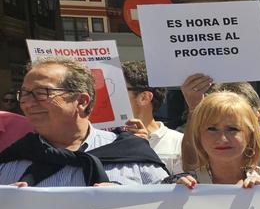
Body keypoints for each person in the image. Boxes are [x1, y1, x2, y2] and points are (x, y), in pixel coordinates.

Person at [0, 58, 167, 186]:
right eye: (24, 94)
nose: (28, 104)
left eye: (41, 92)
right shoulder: (8, 163)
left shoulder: (133, 155)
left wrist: (127, 200)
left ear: (81, 101)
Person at [166, 91, 260, 188]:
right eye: (212, 129)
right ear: (199, 135)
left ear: (249, 135)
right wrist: (174, 201)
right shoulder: (175, 186)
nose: (222, 138)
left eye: (232, 129)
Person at [121, 60, 183, 174]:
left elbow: (181, 187)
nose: (110, 97)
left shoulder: (179, 142)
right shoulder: (106, 140)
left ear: (144, 98)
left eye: (120, 90)